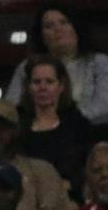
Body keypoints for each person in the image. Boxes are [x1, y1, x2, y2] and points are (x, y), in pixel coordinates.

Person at [4, 6, 108, 130]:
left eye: (64, 22)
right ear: (42, 37)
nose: (58, 29)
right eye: (49, 26)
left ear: (76, 28)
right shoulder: (26, 66)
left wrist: (65, 122)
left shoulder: (101, 62)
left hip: (90, 135)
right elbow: (11, 108)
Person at [14, 55, 95, 194]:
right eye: (37, 82)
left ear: (61, 86)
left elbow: (88, 169)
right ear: (28, 87)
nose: (43, 88)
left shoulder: (79, 125)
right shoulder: (16, 125)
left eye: (49, 82)